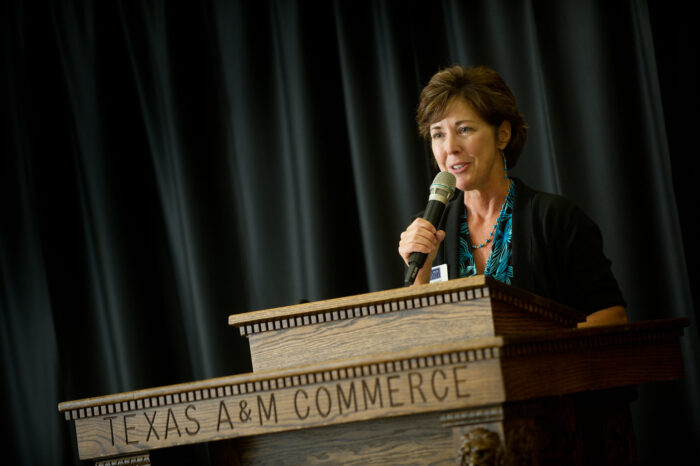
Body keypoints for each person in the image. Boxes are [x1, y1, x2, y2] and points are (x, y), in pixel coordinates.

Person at [398, 65, 627, 327]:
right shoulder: (429, 230)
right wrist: (421, 271)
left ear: (503, 134)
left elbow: (612, 316)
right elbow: (417, 335)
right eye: (438, 134)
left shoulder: (555, 219)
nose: (450, 147)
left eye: (464, 130)